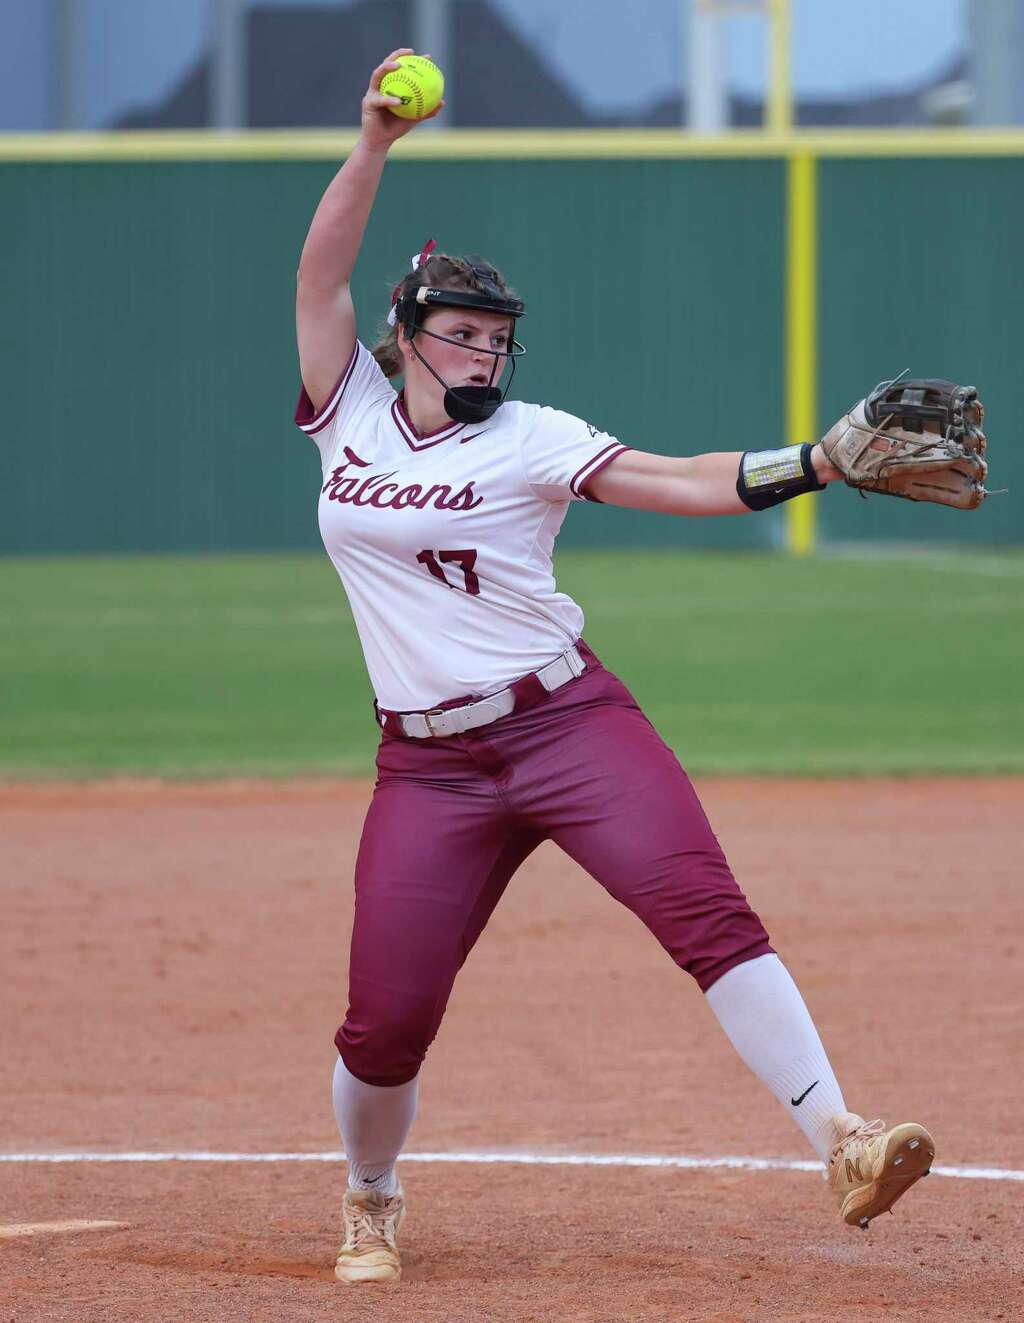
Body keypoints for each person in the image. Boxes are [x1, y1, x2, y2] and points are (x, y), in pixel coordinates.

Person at [295, 48, 934, 1287]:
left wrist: (815, 459)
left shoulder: (534, 438)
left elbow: (677, 479)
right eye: (462, 334)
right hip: (427, 769)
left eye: (498, 338)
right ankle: (371, 1196)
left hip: (567, 725)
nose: (485, 353)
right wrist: (372, 142)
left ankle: (842, 1139)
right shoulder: (347, 413)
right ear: (408, 338)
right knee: (387, 1023)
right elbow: (317, 272)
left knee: (708, 917)